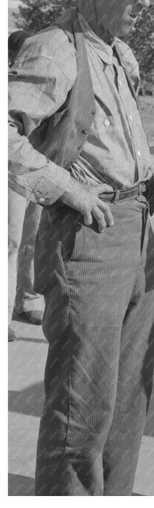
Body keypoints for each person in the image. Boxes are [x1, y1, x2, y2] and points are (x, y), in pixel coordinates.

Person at [8, 0, 154, 495]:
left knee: (128, 401)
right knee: (82, 409)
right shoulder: (55, 48)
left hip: (135, 232)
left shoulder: (119, 54)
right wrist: (66, 188)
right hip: (87, 238)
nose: (144, 0)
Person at [8, 31, 45, 341]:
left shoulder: (41, 81)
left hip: (37, 168)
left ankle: (28, 298)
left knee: (31, 236)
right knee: (10, 242)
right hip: (12, 170)